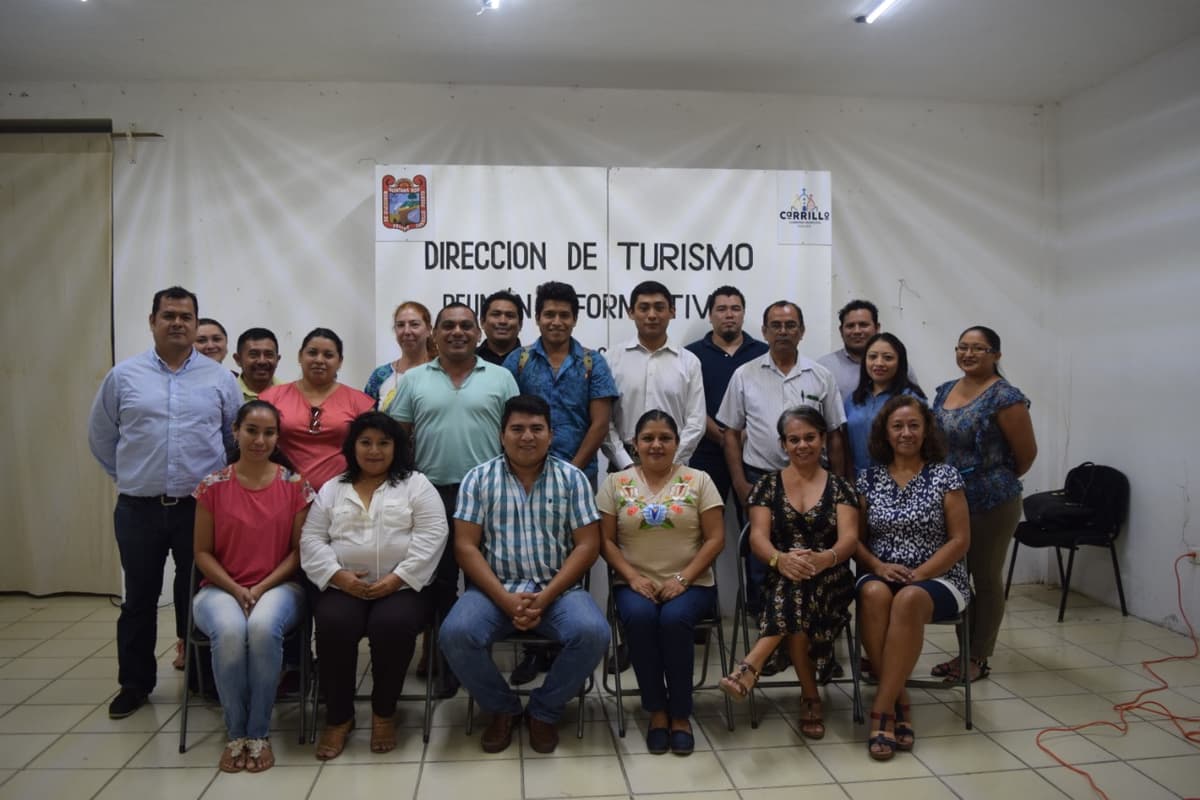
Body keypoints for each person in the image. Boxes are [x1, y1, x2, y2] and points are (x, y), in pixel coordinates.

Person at [88, 286, 241, 718]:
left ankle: (201, 678)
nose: (177, 322)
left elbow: (232, 439)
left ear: (196, 323)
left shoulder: (218, 379)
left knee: (197, 594)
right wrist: (132, 477)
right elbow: (102, 438)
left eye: (186, 316)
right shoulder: (124, 376)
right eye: (168, 315)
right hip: (138, 508)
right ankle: (135, 684)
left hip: (199, 509)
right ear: (152, 321)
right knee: (139, 597)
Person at [438, 395, 609, 754]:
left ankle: (544, 711)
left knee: (593, 632)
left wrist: (545, 597)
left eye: (536, 429)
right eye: (517, 429)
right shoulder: (478, 479)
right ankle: (503, 709)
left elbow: (587, 547)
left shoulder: (572, 478)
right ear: (502, 435)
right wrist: (505, 599)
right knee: (455, 634)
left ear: (551, 434)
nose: (526, 437)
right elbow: (466, 547)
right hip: (493, 591)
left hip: (558, 591)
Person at [385, 302, 519, 696]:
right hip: (431, 495)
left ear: (478, 334)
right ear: (435, 334)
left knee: (487, 577)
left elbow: (516, 435)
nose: (457, 332)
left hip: (490, 494)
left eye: (465, 326)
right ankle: (446, 661)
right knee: (439, 581)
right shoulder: (412, 381)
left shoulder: (501, 377)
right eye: (448, 326)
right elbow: (398, 437)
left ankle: (479, 658)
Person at [300, 412, 448, 759]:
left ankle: (384, 713)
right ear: (353, 447)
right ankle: (339, 718)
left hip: (404, 587)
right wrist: (339, 577)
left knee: (391, 625)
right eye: (365, 442)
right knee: (334, 624)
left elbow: (433, 536)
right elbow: (311, 539)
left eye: (384, 443)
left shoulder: (416, 485)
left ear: (397, 448)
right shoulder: (333, 488)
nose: (374, 450)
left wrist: (396, 579)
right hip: (343, 585)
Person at [502, 280, 618, 685]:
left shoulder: (591, 363)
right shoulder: (516, 362)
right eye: (549, 314)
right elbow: (508, 419)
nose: (556, 321)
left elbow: (600, 422)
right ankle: (531, 649)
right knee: (527, 560)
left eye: (564, 315)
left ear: (575, 318)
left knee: (570, 562)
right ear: (537, 317)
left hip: (575, 480)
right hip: (522, 480)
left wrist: (569, 469)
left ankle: (564, 645)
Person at [718, 407, 856, 741]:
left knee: (796, 592)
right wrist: (781, 560)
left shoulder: (840, 486)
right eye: (794, 439)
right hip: (780, 574)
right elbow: (758, 539)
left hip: (831, 578)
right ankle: (810, 697)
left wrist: (825, 558)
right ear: (783, 444)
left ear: (823, 439)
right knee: (793, 591)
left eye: (810, 437)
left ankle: (751, 665)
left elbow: (850, 540)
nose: (803, 445)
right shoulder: (766, 485)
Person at [192, 400, 314, 773]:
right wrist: (235, 588)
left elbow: (298, 553)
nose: (260, 440)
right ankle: (236, 733)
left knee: (261, 628)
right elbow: (202, 552)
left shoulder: (296, 486)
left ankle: (258, 733)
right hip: (219, 587)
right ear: (235, 432)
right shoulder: (212, 486)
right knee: (229, 631)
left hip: (280, 586)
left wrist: (260, 588)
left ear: (278, 438)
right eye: (251, 431)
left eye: (269, 433)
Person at [597, 410, 724, 756]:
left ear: (677, 443)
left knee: (673, 619)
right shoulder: (615, 483)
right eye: (648, 438)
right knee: (639, 619)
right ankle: (656, 711)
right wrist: (633, 577)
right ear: (634, 445)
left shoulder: (699, 480)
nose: (656, 445)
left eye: (664, 438)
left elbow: (715, 539)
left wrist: (683, 579)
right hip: (633, 583)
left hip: (693, 583)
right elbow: (605, 541)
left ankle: (680, 714)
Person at [854, 396, 970, 760]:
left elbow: (960, 539)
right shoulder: (867, 478)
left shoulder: (945, 475)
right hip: (881, 570)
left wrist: (921, 574)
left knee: (909, 598)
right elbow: (853, 540)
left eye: (914, 426)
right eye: (898, 426)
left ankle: (881, 709)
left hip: (940, 576)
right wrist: (876, 565)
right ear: (885, 433)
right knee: (874, 594)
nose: (906, 433)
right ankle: (899, 698)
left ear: (926, 431)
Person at [930, 326, 1036, 682]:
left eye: (978, 348)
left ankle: (978, 657)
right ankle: (963, 652)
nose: (969, 354)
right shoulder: (946, 390)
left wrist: (993, 478)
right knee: (958, 576)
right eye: (962, 347)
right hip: (950, 499)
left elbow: (1026, 455)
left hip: (993, 500)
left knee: (986, 577)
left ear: (996, 355)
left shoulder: (1006, 397)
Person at [604, 280, 706, 470]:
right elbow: (603, 420)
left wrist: (672, 460)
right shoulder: (611, 359)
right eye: (644, 308)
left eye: (659, 308)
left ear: (672, 312)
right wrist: (624, 462)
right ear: (631, 312)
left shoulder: (689, 362)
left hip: (675, 464)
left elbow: (696, 421)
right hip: (624, 463)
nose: (652, 315)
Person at [259, 328, 375, 491]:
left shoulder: (359, 403)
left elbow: (373, 453)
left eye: (328, 355)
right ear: (300, 356)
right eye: (312, 353)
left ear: (340, 361)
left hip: (342, 496)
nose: (319, 360)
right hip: (281, 493)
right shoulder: (271, 398)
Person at [685, 286, 768, 504]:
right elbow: (688, 404)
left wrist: (742, 436)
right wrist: (724, 438)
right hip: (705, 450)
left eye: (735, 309)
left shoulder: (763, 353)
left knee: (757, 518)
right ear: (710, 316)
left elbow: (768, 402)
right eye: (721, 309)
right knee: (705, 521)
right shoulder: (690, 355)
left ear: (743, 313)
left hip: (753, 452)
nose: (729, 315)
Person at [844, 332, 925, 476]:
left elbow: (925, 443)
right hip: (858, 480)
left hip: (899, 479)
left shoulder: (912, 399)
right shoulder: (852, 399)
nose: (879, 363)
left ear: (900, 362)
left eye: (888, 358)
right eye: (872, 357)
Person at [817, 299, 918, 402]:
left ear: (877, 327)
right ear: (841, 330)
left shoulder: (897, 366)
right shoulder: (824, 367)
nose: (857, 331)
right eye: (850, 326)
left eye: (863, 325)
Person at [364, 301, 436, 410]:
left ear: (428, 330)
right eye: (401, 325)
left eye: (414, 324)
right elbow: (367, 421)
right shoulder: (380, 376)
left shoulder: (442, 372)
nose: (407, 331)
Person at [232, 327, 282, 401]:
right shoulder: (227, 393)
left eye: (268, 355)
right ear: (238, 359)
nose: (262, 361)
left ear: (277, 360)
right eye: (253, 355)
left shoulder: (290, 394)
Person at [477, 289, 524, 365]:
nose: (503, 321)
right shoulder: (468, 359)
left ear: (520, 324)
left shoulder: (533, 362)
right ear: (482, 322)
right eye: (496, 314)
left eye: (510, 315)